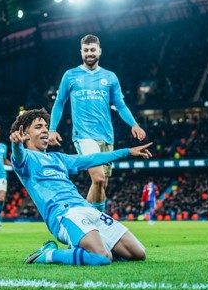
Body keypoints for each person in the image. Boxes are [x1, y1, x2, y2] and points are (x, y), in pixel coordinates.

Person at [10, 108, 150, 266]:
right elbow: (18, 156)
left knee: (138, 254)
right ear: (25, 134)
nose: (45, 130)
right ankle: (49, 254)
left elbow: (92, 159)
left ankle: (83, 246)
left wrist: (128, 151)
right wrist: (16, 145)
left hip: (88, 209)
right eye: (38, 127)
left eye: (45, 126)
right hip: (65, 214)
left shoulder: (59, 158)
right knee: (102, 258)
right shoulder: (26, 159)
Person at [49, 34, 146, 214]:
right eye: (86, 50)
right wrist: (52, 129)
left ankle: (84, 220)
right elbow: (59, 103)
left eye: (93, 49)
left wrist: (134, 124)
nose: (89, 53)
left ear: (100, 51)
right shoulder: (70, 75)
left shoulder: (110, 77)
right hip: (83, 135)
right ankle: (100, 224)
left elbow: (120, 105)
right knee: (99, 178)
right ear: (81, 52)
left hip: (107, 136)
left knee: (101, 185)